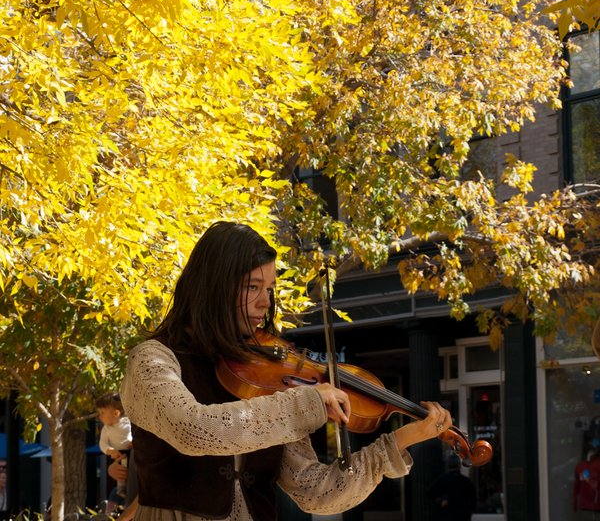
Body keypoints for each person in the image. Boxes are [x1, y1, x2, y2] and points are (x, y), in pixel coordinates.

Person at [120, 221, 453, 520]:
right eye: (252, 287)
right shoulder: (153, 361)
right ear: (212, 286)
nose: (265, 302)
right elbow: (193, 430)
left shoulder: (262, 376)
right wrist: (305, 404)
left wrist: (401, 439)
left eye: (269, 289)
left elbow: (315, 492)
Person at [96, 393, 133, 502]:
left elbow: (133, 435)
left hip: (130, 450)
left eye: (102, 412)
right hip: (118, 454)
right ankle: (121, 489)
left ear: (116, 413)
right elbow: (102, 444)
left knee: (127, 471)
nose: (99, 416)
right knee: (121, 473)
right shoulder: (106, 429)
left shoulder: (129, 422)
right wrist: (110, 450)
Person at [428, 454, 477, 521]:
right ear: (459, 466)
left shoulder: (443, 480)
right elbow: (474, 499)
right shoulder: (466, 481)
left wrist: (440, 501)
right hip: (463, 515)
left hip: (448, 515)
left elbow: (430, 493)